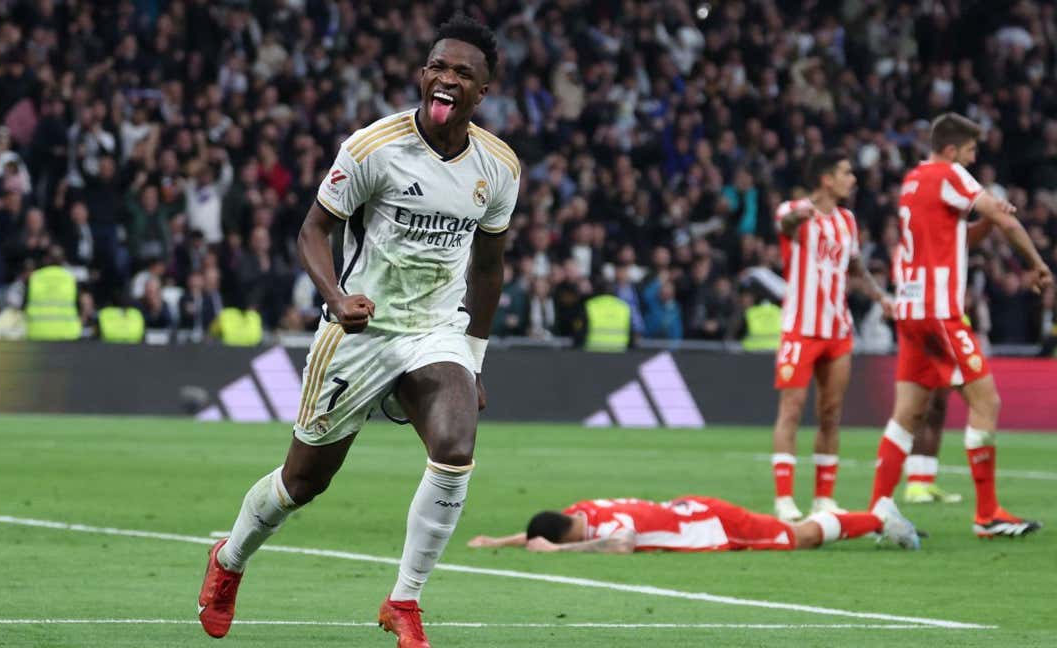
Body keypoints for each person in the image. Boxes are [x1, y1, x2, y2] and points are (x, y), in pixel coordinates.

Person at [197, 16, 519, 648]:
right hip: (362, 331)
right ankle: (229, 559)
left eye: (463, 73)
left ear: (483, 92)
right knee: (302, 484)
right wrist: (337, 298)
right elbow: (312, 231)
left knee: (455, 449)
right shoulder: (375, 147)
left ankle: (404, 600)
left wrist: (474, 358)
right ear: (423, 74)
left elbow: (488, 265)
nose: (446, 78)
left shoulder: (499, 168)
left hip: (436, 329)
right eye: (438, 66)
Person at [869, 113, 1052, 537]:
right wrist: (1039, 265)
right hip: (938, 311)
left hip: (911, 310)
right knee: (987, 403)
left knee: (906, 414)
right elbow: (1008, 221)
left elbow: (956, 238)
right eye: (970, 152)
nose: (972, 161)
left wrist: (985, 220)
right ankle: (987, 514)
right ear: (952, 150)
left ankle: (878, 511)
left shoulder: (914, 180)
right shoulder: (950, 173)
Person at [769, 152, 893, 522]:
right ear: (826, 179)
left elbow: (854, 265)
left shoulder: (848, 221)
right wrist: (802, 213)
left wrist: (879, 295)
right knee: (791, 409)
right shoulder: (794, 210)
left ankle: (823, 498)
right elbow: (786, 224)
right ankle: (784, 499)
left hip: (838, 329)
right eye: (846, 173)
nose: (852, 179)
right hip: (800, 328)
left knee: (831, 412)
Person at [467, 494, 920, 554]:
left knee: (797, 537)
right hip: (696, 509)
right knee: (791, 530)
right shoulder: (584, 508)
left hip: (713, 527)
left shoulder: (605, 529)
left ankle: (880, 518)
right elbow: (548, 528)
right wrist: (499, 542)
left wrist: (560, 552)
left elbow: (621, 542)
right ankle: (873, 517)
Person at [23, 247, 81, 341]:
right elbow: (80, 306)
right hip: (67, 335)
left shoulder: (34, 277)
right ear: (63, 260)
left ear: (46, 259)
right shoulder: (70, 278)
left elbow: (23, 305)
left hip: (37, 334)